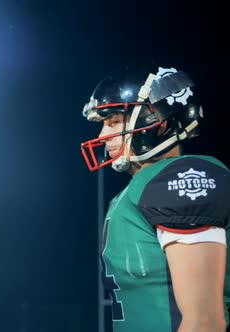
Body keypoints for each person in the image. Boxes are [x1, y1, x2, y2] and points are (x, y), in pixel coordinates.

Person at [80, 64, 230, 331]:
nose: (102, 135)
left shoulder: (180, 177)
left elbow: (205, 321)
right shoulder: (134, 192)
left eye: (113, 121)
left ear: (159, 124)